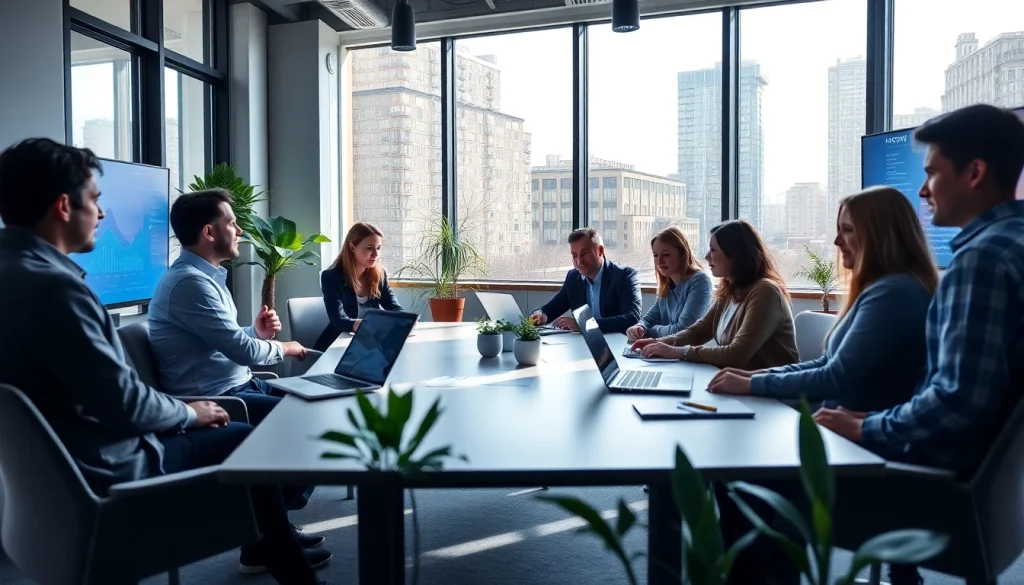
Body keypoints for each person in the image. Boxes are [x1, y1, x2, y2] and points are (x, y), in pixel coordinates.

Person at [0, 138, 330, 583]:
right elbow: (123, 403)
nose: (100, 214)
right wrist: (187, 413)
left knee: (252, 427)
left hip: (54, 481)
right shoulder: (58, 291)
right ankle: (284, 563)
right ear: (63, 206)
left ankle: (271, 544)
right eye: (95, 201)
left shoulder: (14, 276)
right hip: (110, 466)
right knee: (248, 441)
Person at [723, 104, 1024, 585]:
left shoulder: (981, 262)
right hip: (983, 478)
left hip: (930, 476)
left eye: (932, 174)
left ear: (974, 173)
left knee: (747, 481)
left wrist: (871, 428)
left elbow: (958, 402)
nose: (923, 190)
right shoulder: (1011, 244)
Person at [148, 189, 315, 511]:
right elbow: (243, 352)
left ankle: (274, 523)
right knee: (305, 420)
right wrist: (286, 346)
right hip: (222, 396)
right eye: (233, 223)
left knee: (314, 409)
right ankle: (267, 532)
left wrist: (256, 332)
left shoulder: (203, 278)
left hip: (240, 384)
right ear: (209, 232)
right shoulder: (189, 283)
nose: (240, 231)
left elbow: (220, 342)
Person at [706, 187, 938, 415]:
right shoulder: (878, 290)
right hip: (830, 420)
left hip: (850, 435)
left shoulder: (894, 294)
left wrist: (753, 384)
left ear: (881, 235)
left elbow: (835, 376)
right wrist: (757, 376)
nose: (837, 241)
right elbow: (826, 362)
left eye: (847, 230)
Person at [630, 220, 798, 370]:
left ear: (735, 254)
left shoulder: (765, 292)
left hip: (770, 394)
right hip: (737, 384)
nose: (706, 256)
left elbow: (736, 355)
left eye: (713, 250)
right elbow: (699, 331)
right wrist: (660, 343)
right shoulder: (730, 289)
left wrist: (679, 351)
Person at [530, 228, 641, 334]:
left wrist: (585, 325)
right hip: (583, 344)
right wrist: (540, 314)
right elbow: (551, 308)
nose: (579, 261)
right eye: (574, 255)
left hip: (617, 344)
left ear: (600, 251)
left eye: (584, 253)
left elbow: (632, 317)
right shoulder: (573, 278)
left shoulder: (625, 276)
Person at [315, 222, 401, 351]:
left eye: (378, 248)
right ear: (352, 247)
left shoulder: (380, 274)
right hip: (336, 346)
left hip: (369, 343)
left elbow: (394, 308)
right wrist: (367, 325)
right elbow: (338, 320)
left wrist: (405, 320)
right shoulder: (331, 277)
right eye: (369, 247)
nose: (375, 254)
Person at [626, 227, 712, 342]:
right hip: (666, 352)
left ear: (682, 253)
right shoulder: (667, 282)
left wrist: (651, 331)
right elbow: (650, 318)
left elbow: (683, 330)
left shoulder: (700, 281)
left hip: (688, 354)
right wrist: (638, 327)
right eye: (655, 255)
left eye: (666, 255)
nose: (659, 262)